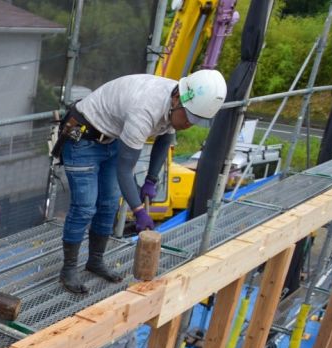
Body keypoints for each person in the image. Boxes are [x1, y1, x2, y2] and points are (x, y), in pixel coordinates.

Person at [53, 69, 227, 293]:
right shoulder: (145, 108)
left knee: (108, 204)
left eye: (196, 121)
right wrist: (138, 210)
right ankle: (68, 270)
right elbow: (125, 171)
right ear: (177, 99)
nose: (188, 124)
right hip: (83, 138)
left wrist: (152, 180)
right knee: (85, 207)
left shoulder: (182, 97)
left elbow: (165, 140)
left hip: (112, 137)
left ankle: (95, 261)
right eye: (189, 117)